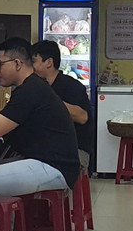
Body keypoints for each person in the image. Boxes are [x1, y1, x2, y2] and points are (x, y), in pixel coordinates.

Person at [0, 37, 80, 198]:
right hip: (49, 162)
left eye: (1, 63)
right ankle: (11, 222)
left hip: (54, 166)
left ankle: (0, 224)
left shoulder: (31, 90)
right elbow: (1, 117)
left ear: (17, 64)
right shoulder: (31, 86)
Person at [30, 39, 92, 173]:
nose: (31, 66)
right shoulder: (36, 87)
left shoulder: (72, 86)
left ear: (49, 62)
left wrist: (50, 99)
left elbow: (83, 117)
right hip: (48, 148)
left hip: (74, 152)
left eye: (34, 61)